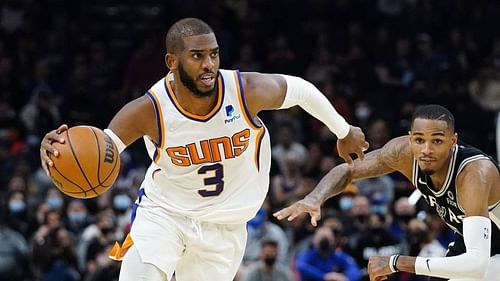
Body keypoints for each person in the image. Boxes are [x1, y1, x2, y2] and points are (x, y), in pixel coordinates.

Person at [39, 18, 369, 281]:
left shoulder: (244, 90)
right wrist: (55, 150)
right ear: (172, 61)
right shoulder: (149, 110)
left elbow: (301, 90)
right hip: (165, 214)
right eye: (197, 56)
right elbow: (102, 147)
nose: (209, 64)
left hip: (226, 226)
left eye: (213, 53)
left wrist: (344, 130)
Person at [275, 104, 500, 281]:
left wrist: (395, 262)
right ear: (411, 138)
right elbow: (348, 170)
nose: (427, 150)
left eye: (437, 141)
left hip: (484, 250)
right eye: (419, 140)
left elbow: (476, 264)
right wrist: (316, 197)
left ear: (453, 141)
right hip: (477, 239)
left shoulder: (474, 174)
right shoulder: (403, 153)